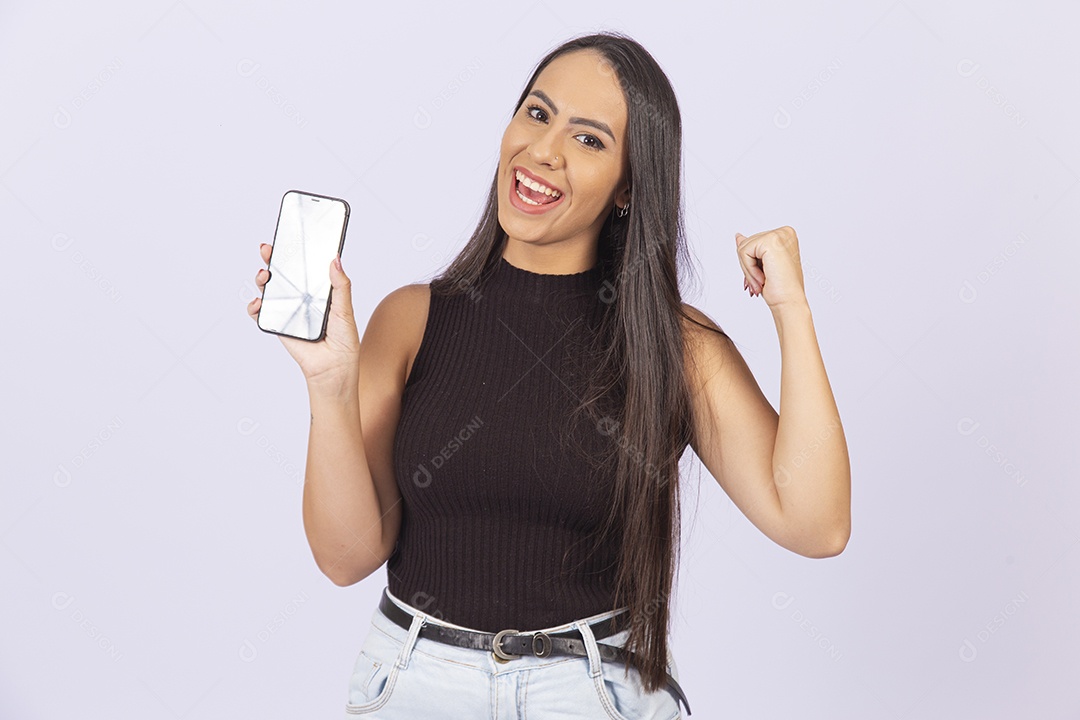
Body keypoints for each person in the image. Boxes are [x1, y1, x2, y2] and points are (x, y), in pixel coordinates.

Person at [246, 30, 850, 719]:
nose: (544, 152)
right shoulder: (412, 319)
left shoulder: (676, 347)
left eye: (589, 140)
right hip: (417, 687)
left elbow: (817, 525)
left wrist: (791, 308)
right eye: (537, 113)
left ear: (628, 187)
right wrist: (329, 385)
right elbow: (346, 557)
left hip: (594, 693)